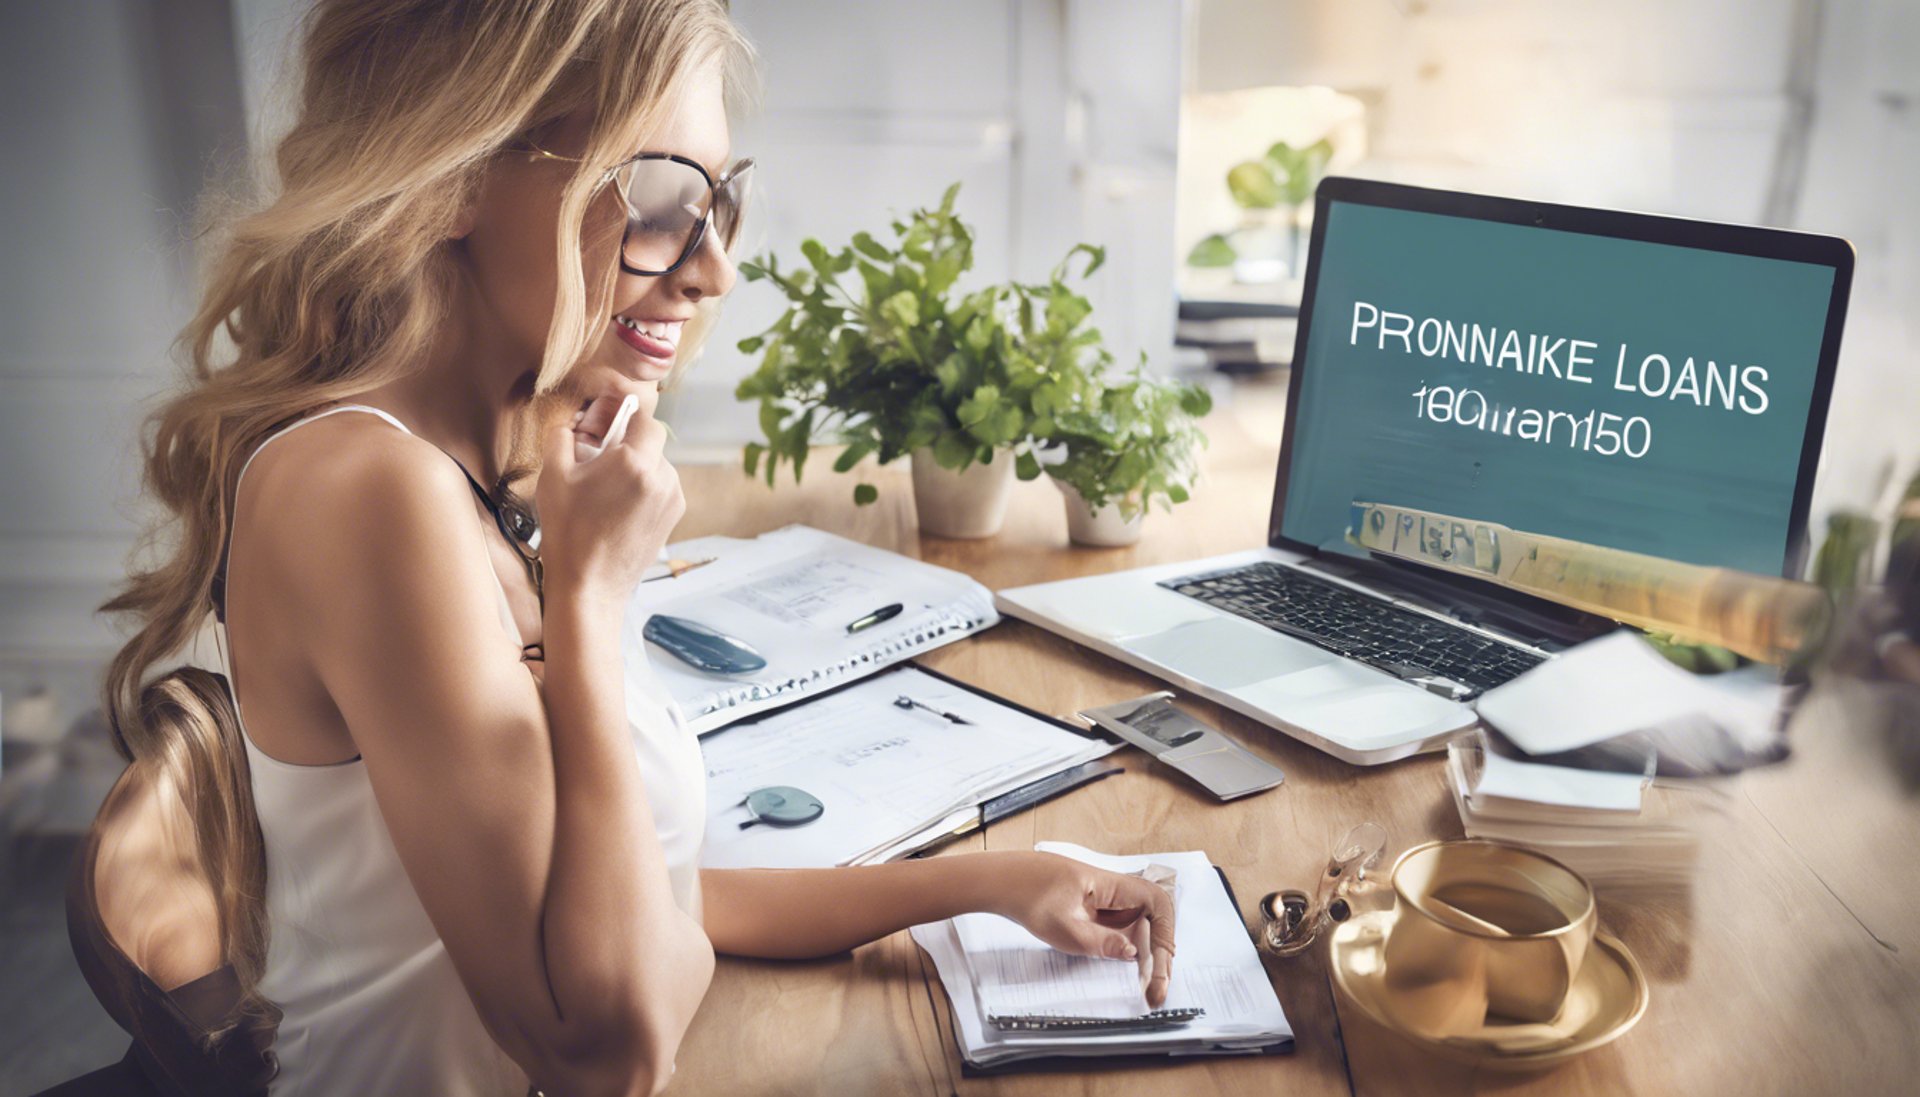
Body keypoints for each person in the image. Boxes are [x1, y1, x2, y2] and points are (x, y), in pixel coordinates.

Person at [91, 2, 1176, 1095]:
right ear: (453, 175)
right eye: (661, 199)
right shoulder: (371, 492)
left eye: (721, 201)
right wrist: (593, 599)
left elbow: (647, 900)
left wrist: (996, 883)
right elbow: (606, 1048)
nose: (713, 271)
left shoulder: (488, 469)